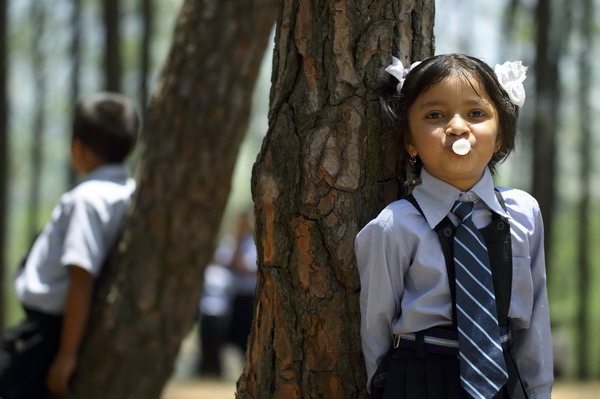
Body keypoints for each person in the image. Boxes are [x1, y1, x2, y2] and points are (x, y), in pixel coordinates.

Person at [355, 54, 552, 399]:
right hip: (419, 380)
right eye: (435, 115)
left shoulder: (524, 213)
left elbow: (534, 321)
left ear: (501, 135)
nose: (458, 127)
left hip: (503, 378)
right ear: (410, 141)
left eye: (476, 113)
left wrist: (537, 392)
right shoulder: (393, 226)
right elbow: (376, 326)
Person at [0, 92, 139, 398]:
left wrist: (66, 354)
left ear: (78, 148)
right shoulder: (129, 192)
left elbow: (81, 275)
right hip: (64, 327)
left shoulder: (86, 199)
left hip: (49, 333)